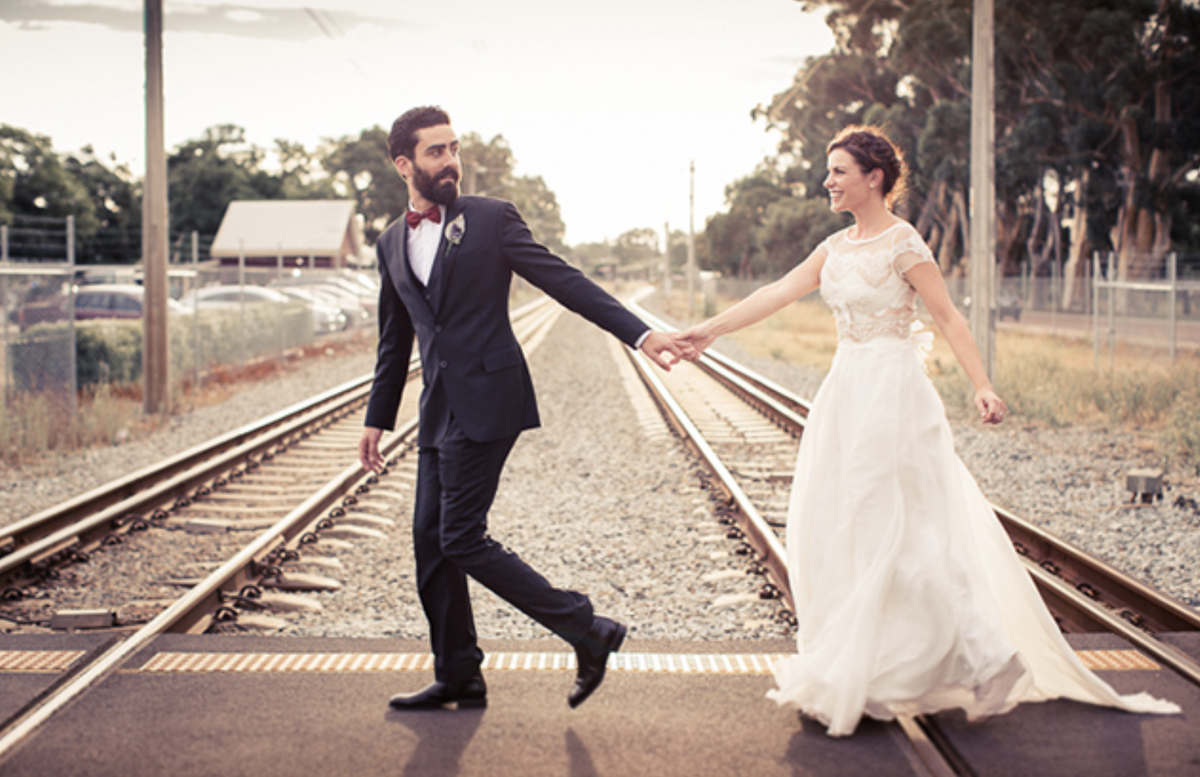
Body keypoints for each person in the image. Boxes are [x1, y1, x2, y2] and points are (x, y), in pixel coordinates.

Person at [676, 126, 1179, 737]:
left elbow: (946, 316)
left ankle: (948, 656)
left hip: (893, 393)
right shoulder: (832, 249)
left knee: (898, 523)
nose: (827, 182)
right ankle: (865, 662)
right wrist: (707, 332)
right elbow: (776, 291)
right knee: (850, 522)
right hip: (845, 392)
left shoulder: (903, 243)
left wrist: (982, 384)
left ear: (874, 178)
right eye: (828, 171)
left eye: (838, 171)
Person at [359, 106, 683, 711]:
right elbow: (394, 340)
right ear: (404, 165)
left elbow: (565, 282)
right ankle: (458, 674)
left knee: (458, 536)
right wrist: (378, 417)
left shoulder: (490, 219)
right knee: (430, 544)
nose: (450, 160)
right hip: (437, 410)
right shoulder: (389, 243)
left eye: (453, 148)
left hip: (490, 399)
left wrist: (641, 334)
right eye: (435, 152)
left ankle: (586, 628)